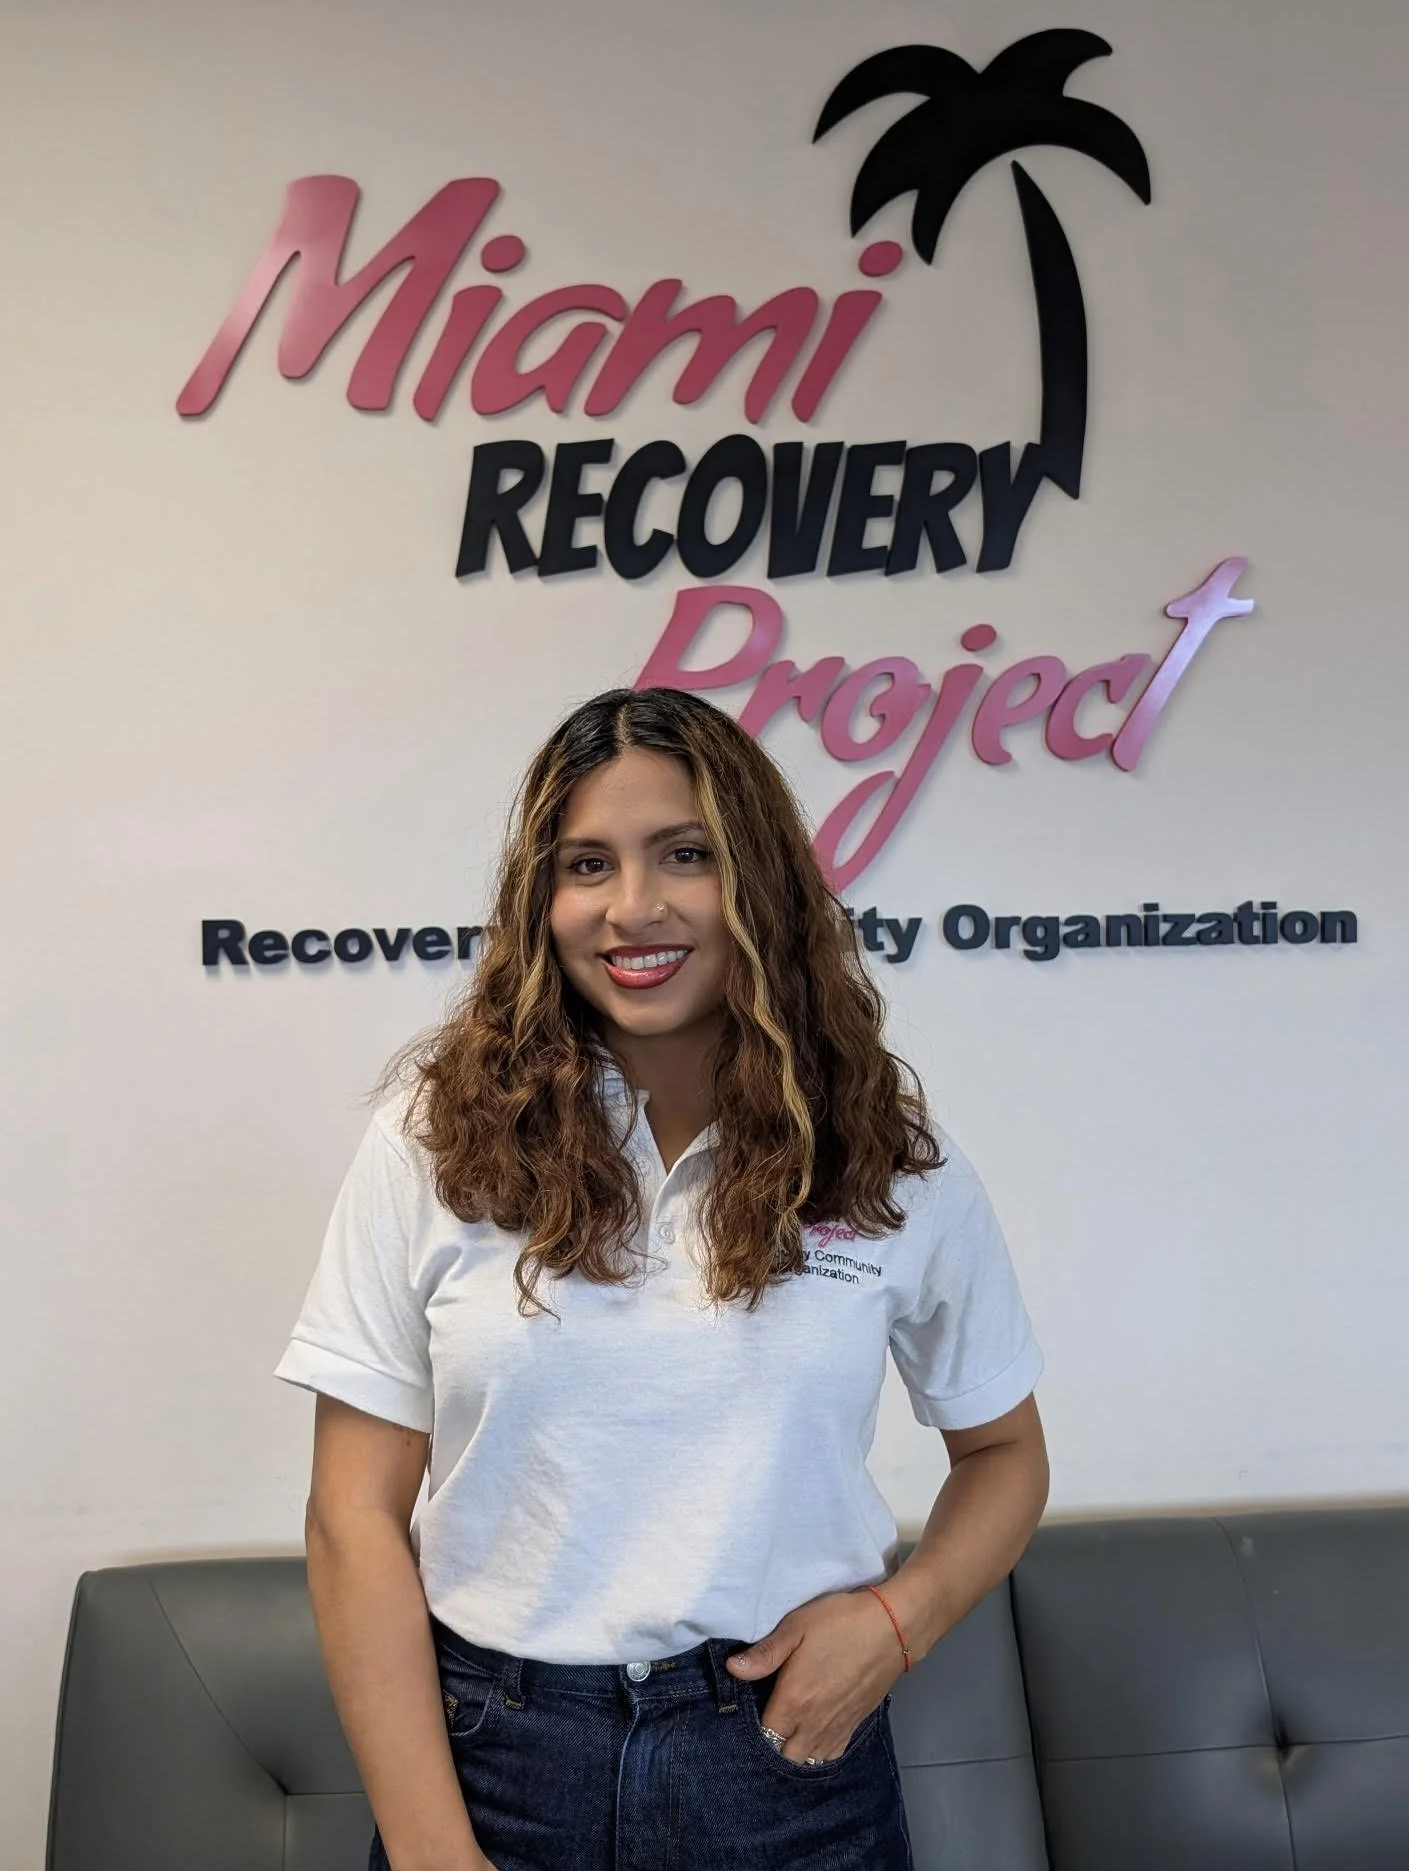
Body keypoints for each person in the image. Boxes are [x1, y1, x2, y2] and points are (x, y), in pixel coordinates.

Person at [274, 686, 1049, 1871]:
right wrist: (433, 1848)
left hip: (784, 1764)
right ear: (540, 898)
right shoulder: (432, 1142)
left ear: (759, 879)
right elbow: (351, 1514)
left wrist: (897, 1622)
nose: (631, 906)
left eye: (685, 853)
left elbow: (1003, 1452)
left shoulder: (881, 1155)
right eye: (587, 863)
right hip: (495, 1767)